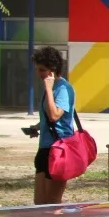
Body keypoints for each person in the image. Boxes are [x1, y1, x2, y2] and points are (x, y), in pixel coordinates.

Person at [31, 46, 76, 205]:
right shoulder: (50, 88)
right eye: (37, 69)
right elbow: (48, 117)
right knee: (39, 203)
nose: (39, 74)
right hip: (44, 148)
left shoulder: (63, 89)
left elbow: (55, 115)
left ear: (53, 70)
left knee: (52, 203)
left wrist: (49, 89)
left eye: (42, 70)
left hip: (59, 149)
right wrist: (37, 127)